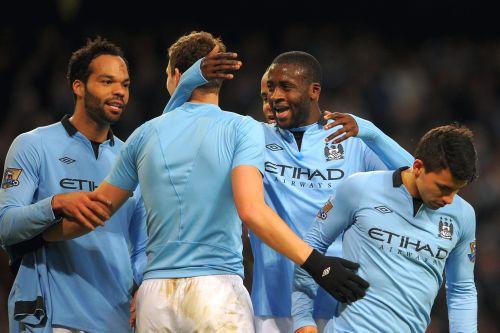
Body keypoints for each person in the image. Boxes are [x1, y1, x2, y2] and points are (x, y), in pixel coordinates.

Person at [57, 31, 369, 332]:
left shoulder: (144, 134)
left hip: (155, 296)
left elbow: (95, 210)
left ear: (176, 76)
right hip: (216, 292)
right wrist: (316, 263)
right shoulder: (242, 129)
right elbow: (251, 211)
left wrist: (39, 231)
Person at [164, 50, 414, 332]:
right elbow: (171, 135)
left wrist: (372, 132)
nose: (274, 96)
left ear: (314, 91)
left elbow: (418, 181)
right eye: (270, 89)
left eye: (285, 87)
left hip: (343, 304)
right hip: (273, 306)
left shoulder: (350, 139)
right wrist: (190, 81)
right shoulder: (253, 138)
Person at [0, 37, 148, 333]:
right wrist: (56, 204)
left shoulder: (131, 159)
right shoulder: (33, 145)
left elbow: (141, 247)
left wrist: (141, 288)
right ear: (78, 86)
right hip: (54, 320)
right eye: (107, 82)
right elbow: (6, 225)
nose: (119, 91)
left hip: (116, 322)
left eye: (125, 84)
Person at [293, 124, 478, 333]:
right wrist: (302, 318)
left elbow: (461, 290)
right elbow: (311, 246)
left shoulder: (463, 215)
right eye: (443, 188)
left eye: (456, 191)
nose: (449, 199)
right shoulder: (360, 188)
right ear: (417, 167)